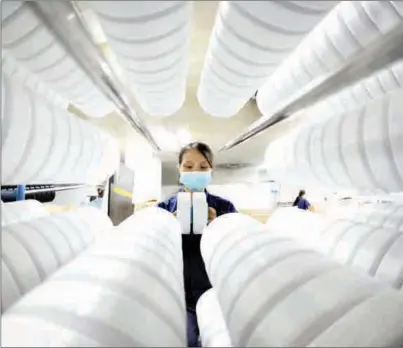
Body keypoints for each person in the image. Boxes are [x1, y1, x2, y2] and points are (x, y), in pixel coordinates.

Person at [158, 142, 237, 347]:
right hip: (178, 296)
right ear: (179, 168)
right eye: (188, 166)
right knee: (187, 340)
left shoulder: (225, 207)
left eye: (203, 167)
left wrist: (218, 226)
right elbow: (152, 252)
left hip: (214, 294)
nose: (195, 172)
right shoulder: (164, 209)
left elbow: (237, 250)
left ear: (211, 170)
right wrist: (168, 228)